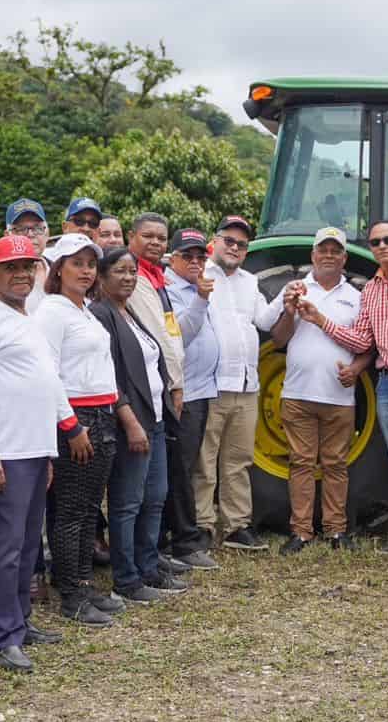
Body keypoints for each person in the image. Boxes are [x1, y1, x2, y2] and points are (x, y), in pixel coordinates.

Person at [0, 234, 78, 671]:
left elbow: (37, 385)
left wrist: (46, 454)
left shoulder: (26, 316)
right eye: (12, 267)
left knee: (27, 546)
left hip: (32, 450)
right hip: (3, 451)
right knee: (6, 550)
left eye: (29, 267)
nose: (22, 274)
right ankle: (2, 635)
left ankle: (21, 623)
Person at [295, 220, 388, 564]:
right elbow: (363, 341)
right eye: (375, 242)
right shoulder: (372, 289)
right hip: (387, 383)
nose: (381, 246)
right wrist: (320, 320)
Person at [33, 232, 126, 624]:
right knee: (70, 510)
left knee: (89, 508)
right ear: (58, 268)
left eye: (90, 264)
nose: (86, 271)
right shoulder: (52, 310)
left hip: (101, 414)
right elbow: (46, 372)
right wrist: (70, 426)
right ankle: (70, 593)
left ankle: (83, 582)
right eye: (77, 263)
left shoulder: (84, 308)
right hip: (76, 418)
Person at [262, 227, 370, 552]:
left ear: (344, 258)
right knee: (301, 463)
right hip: (297, 395)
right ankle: (301, 532)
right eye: (323, 250)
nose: (328, 255)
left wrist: (357, 369)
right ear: (312, 255)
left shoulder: (356, 297)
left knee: (336, 465)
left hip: (339, 397)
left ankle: (336, 530)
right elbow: (279, 339)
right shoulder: (295, 289)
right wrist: (290, 311)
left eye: (335, 251)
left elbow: (368, 344)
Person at [93, 247, 187, 603]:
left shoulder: (128, 310)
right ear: (102, 277)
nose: (129, 277)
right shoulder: (102, 314)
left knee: (155, 498)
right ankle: (127, 579)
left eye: (133, 271)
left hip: (156, 419)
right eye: (120, 271)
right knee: (127, 503)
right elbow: (111, 376)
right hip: (132, 423)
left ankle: (148, 567)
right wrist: (129, 420)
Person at [192, 216, 272, 552]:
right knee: (205, 460)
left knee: (239, 460)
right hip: (213, 383)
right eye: (229, 241)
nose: (235, 248)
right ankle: (202, 525)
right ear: (216, 241)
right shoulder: (200, 276)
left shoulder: (250, 281)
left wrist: (288, 298)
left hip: (246, 383)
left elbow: (266, 320)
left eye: (241, 244)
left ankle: (238, 525)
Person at [163, 227, 221, 566]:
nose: (197, 261)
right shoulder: (170, 290)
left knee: (187, 466)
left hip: (203, 390)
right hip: (183, 392)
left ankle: (181, 535)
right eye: (189, 256)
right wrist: (200, 299)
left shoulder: (199, 285)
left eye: (202, 255)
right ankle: (182, 541)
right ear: (174, 258)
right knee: (179, 470)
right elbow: (180, 337)